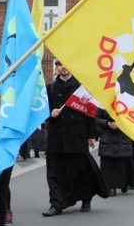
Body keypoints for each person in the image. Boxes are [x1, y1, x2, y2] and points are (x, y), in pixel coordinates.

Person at [42, 61, 105, 216]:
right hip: (56, 137)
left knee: (80, 171)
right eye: (60, 65)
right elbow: (41, 110)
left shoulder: (80, 88)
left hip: (76, 135)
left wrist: (91, 135)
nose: (63, 68)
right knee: (55, 172)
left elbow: (90, 113)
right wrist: (50, 114)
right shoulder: (50, 89)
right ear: (56, 68)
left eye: (66, 65)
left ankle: (85, 198)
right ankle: (56, 203)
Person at [95, 108, 134, 195]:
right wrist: (107, 123)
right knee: (108, 164)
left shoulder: (126, 102)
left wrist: (120, 124)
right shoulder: (102, 104)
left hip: (123, 135)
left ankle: (124, 184)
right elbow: (96, 119)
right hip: (107, 136)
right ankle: (110, 187)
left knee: (123, 162)